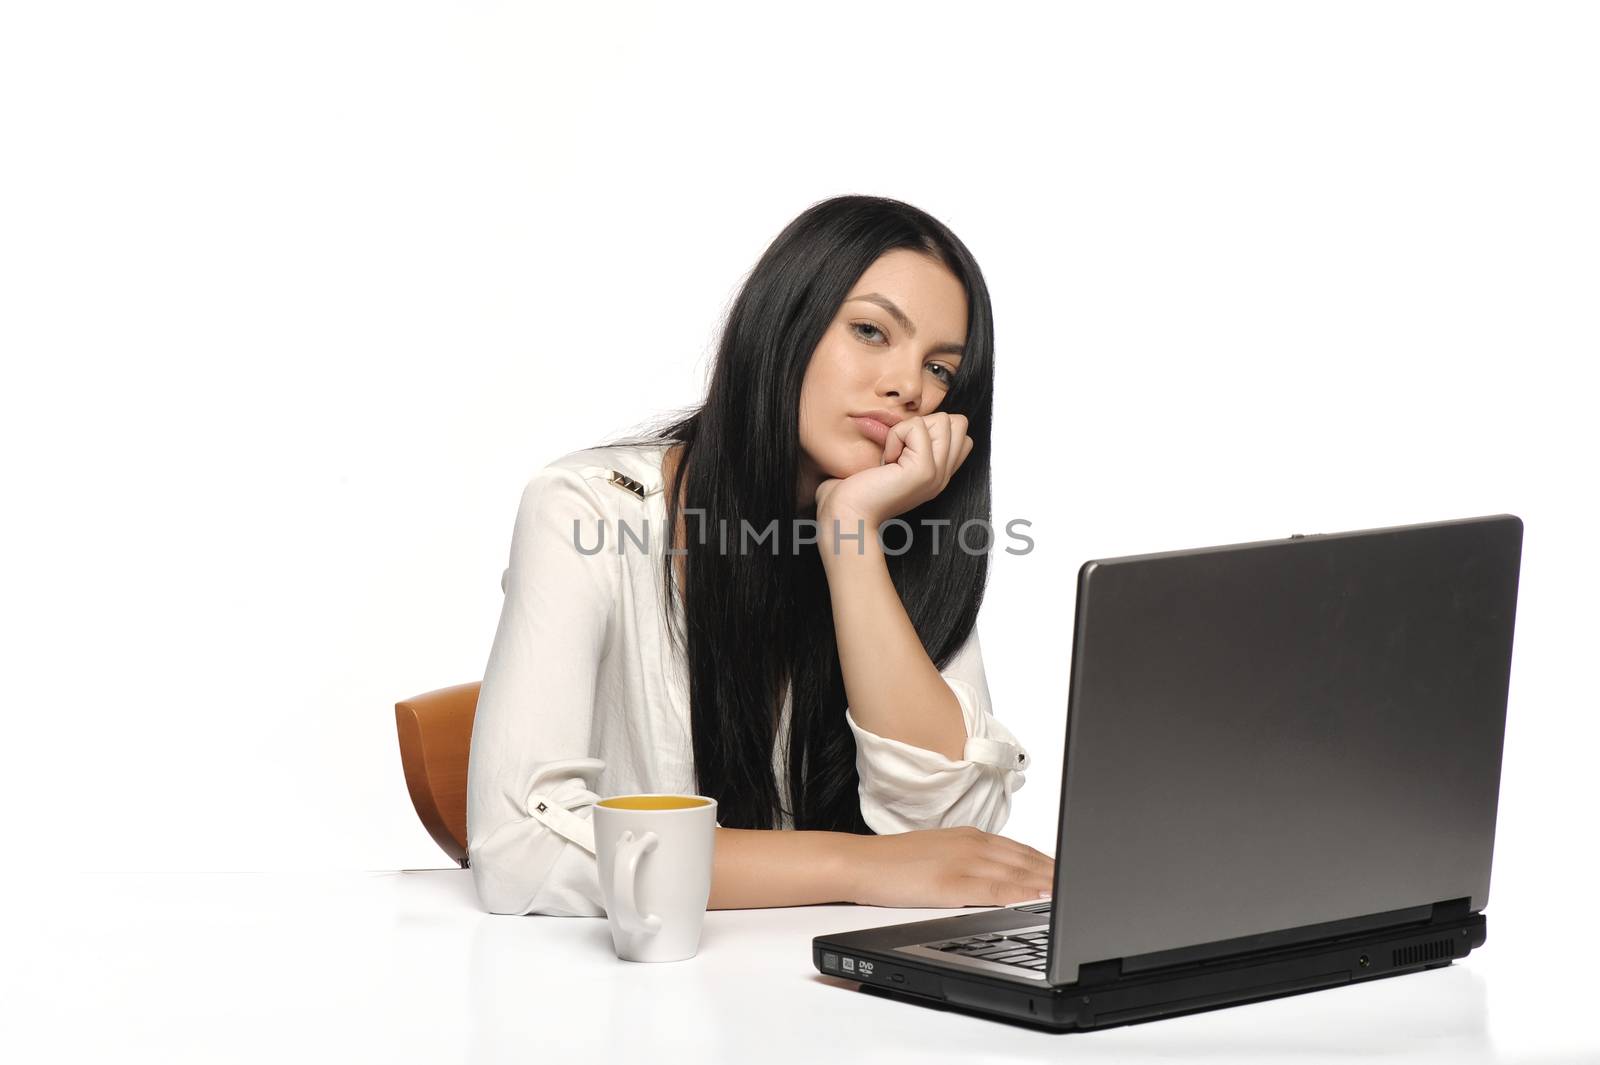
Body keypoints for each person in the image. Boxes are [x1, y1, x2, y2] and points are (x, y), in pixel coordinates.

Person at [466, 194, 1055, 917]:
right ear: (786, 324)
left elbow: (942, 839)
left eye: (940, 369)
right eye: (871, 331)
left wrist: (852, 533)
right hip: (632, 1001)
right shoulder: (589, 508)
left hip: (834, 1000)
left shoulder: (907, 533)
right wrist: (855, 866)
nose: (907, 386)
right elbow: (521, 851)